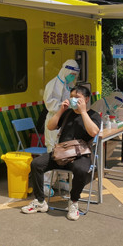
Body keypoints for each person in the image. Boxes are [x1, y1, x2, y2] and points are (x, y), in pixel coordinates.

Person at [22, 86, 101, 221]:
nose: (73, 100)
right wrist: (61, 110)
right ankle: (40, 201)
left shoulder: (93, 115)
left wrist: (83, 112)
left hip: (80, 154)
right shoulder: (67, 113)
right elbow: (50, 126)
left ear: (86, 99)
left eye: (77, 97)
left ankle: (74, 202)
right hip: (61, 153)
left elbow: (94, 132)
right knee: (36, 164)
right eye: (72, 97)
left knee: (81, 170)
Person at [42, 59, 80, 151]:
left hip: (66, 119)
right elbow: (50, 104)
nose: (73, 77)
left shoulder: (69, 85)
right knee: (53, 147)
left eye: (75, 75)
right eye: (72, 74)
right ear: (66, 71)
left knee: (65, 146)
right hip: (55, 119)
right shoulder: (52, 84)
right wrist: (64, 106)